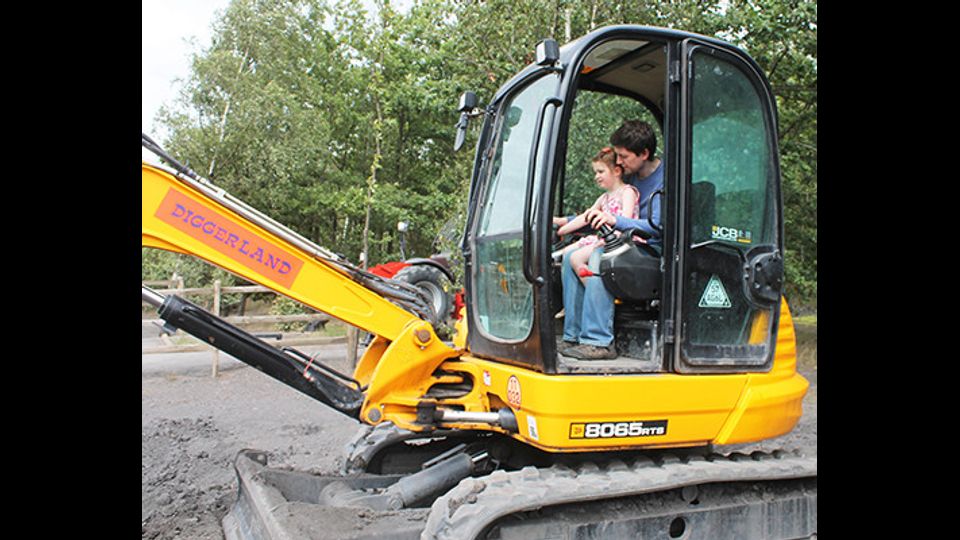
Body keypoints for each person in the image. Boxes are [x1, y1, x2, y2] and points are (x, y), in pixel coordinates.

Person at [559, 120, 664, 360]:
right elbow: (603, 208)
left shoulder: (664, 180)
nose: (618, 162)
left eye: (623, 156)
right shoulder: (631, 175)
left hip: (652, 248)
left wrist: (617, 222)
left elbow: (656, 228)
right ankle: (573, 335)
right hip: (625, 242)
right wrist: (562, 222)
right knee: (568, 258)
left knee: (600, 256)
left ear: (644, 153)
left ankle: (599, 341)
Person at [555, 147, 639, 283]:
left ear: (617, 171)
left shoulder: (627, 192)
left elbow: (626, 220)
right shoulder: (603, 198)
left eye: (600, 172)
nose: (596, 177)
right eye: (595, 172)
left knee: (576, 258)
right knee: (566, 252)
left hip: (621, 239)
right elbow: (585, 217)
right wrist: (563, 230)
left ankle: (593, 290)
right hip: (606, 238)